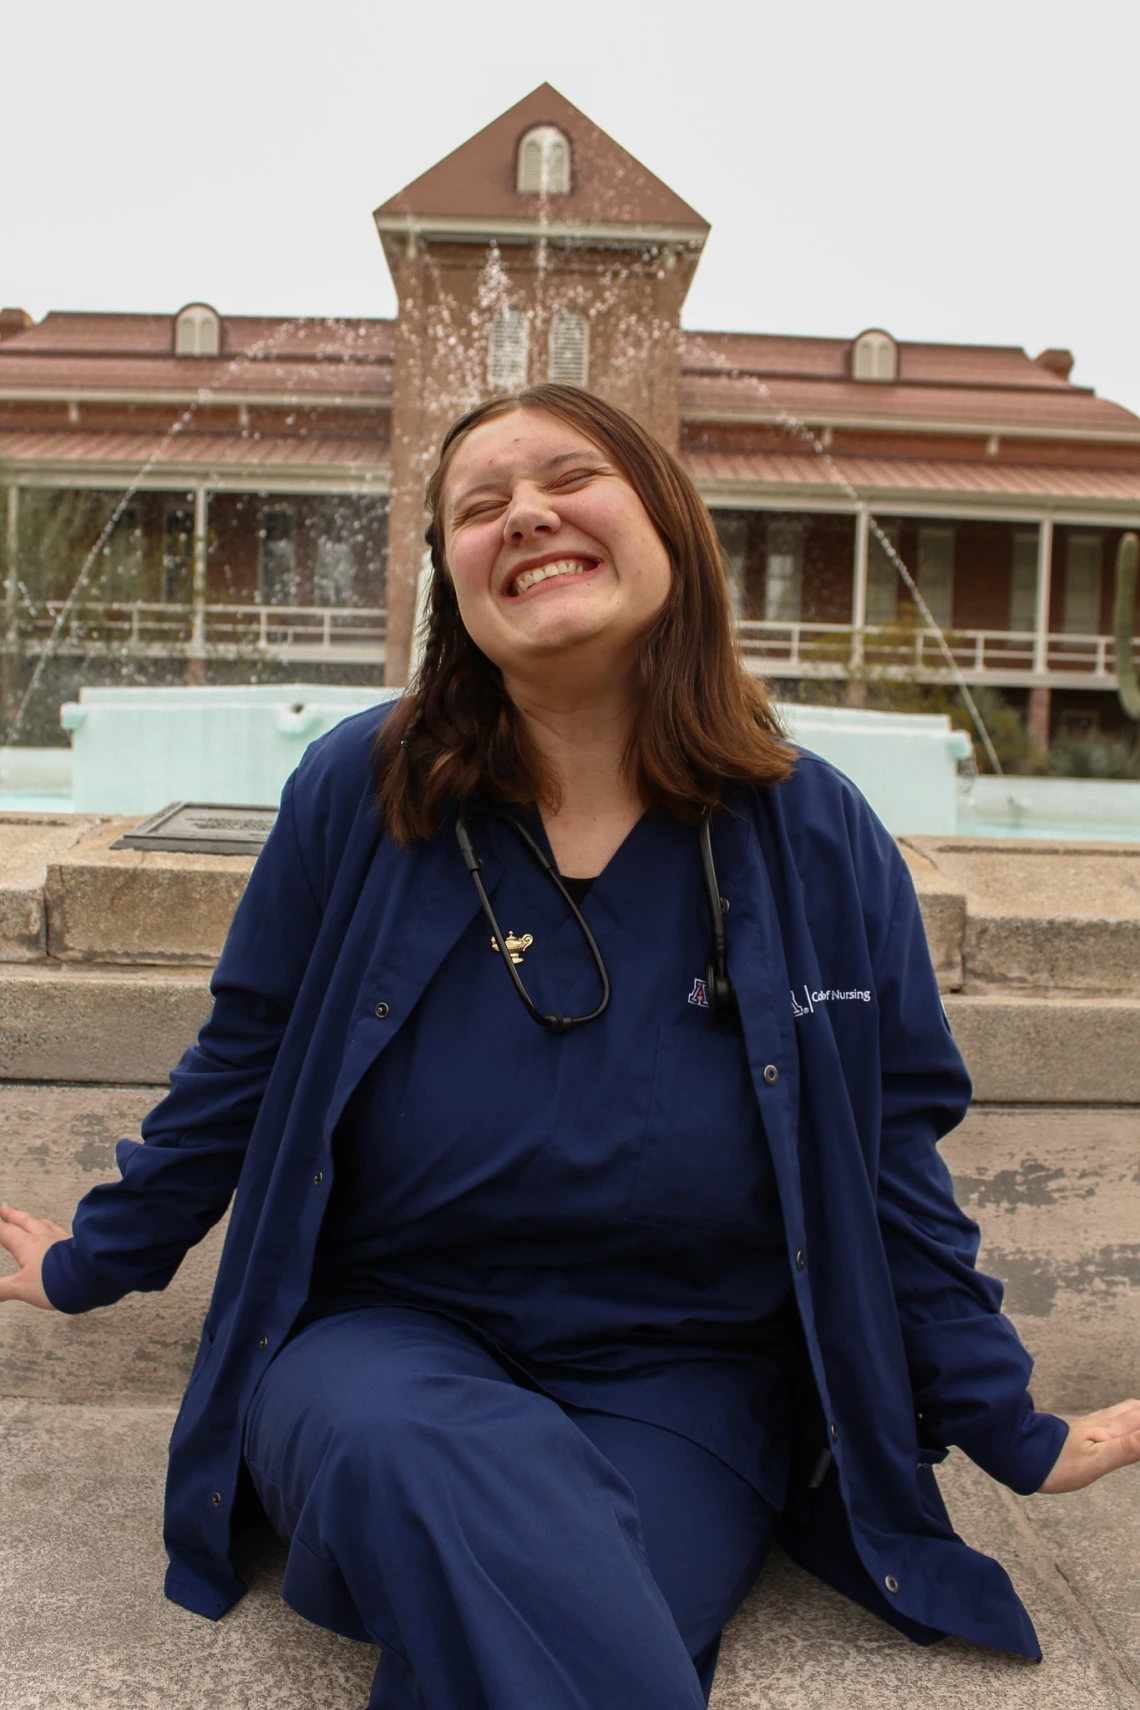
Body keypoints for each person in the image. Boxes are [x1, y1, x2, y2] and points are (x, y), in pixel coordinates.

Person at [2, 383, 1138, 1710]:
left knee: (535, 1593)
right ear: (457, 589)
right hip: (385, 1347)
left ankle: (413, 1549)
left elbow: (889, 1162)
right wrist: (92, 1258)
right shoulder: (360, 796)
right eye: (478, 506)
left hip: (678, 1385)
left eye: (567, 477)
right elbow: (239, 1067)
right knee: (417, 1466)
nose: (524, 512)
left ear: (666, 522)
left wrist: (1005, 1418)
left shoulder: (814, 834)